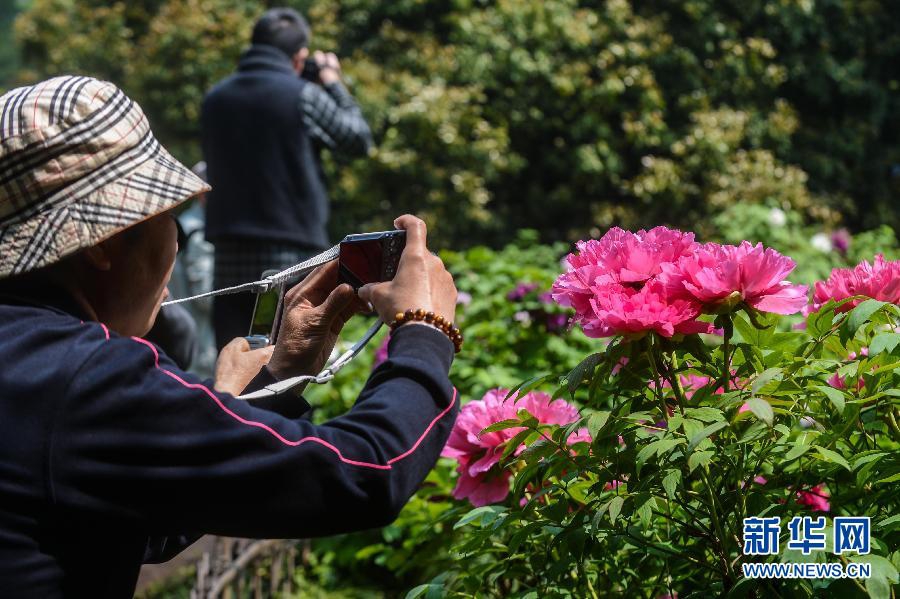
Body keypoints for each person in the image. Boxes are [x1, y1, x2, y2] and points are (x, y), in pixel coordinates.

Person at [0, 76, 458, 597]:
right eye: (168, 216)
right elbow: (370, 470)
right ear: (101, 243)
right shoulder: (87, 379)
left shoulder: (30, 363)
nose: (177, 241)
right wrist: (425, 327)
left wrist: (279, 377)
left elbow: (142, 518)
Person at [202, 7, 374, 350]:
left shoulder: (215, 99)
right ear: (299, 56)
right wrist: (333, 83)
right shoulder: (302, 95)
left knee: (234, 354)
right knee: (287, 359)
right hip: (291, 250)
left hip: (228, 251)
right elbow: (358, 140)